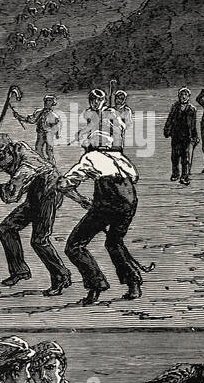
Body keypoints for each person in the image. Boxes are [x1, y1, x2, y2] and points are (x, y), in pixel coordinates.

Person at [59, 126, 142, 305]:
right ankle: (133, 284)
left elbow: (65, 184)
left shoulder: (90, 157)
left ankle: (96, 286)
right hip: (129, 203)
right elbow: (134, 177)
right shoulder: (120, 158)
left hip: (107, 205)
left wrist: (81, 199)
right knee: (114, 243)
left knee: (74, 246)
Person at [0, 133, 72, 296]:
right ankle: (20, 271)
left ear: (8, 150)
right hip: (34, 194)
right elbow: (5, 161)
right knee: (6, 229)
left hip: (48, 194)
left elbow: (10, 197)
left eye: (0, 157)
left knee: (39, 240)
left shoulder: (26, 168)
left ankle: (62, 276)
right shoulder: (17, 147)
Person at [162, 87, 199, 186]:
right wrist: (167, 130)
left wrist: (195, 136)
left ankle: (185, 176)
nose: (183, 97)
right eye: (182, 95)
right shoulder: (175, 107)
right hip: (176, 135)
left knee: (186, 157)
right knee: (175, 156)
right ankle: (175, 173)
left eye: (186, 95)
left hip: (187, 136)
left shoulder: (192, 109)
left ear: (189, 96)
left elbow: (193, 124)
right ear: (179, 96)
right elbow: (170, 119)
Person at [11, 93, 62, 162]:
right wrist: (19, 117)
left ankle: (52, 165)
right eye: (46, 101)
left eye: (49, 101)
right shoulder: (38, 112)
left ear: (53, 103)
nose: (47, 102)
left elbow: (56, 126)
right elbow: (31, 120)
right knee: (38, 149)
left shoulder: (54, 116)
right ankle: (42, 163)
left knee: (49, 151)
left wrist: (57, 134)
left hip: (49, 134)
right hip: (40, 134)